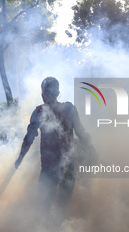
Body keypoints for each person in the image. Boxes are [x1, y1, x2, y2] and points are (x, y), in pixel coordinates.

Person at [15, 77, 91, 215]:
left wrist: (20, 158)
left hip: (49, 169)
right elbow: (82, 133)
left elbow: (29, 139)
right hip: (68, 168)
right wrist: (92, 150)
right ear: (58, 93)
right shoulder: (70, 109)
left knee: (43, 208)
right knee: (62, 209)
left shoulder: (38, 112)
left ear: (43, 94)